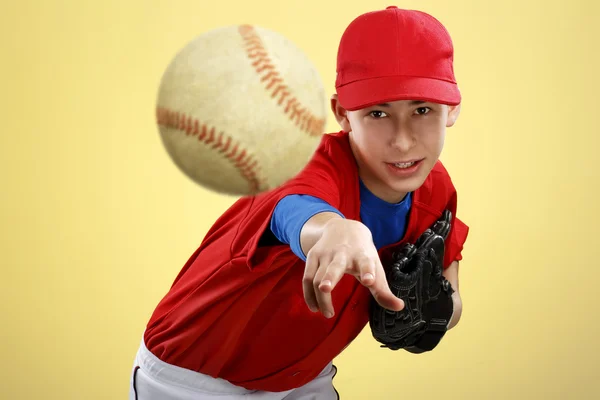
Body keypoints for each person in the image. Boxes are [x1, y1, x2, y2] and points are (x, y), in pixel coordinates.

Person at [129, 6, 470, 400]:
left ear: (453, 109)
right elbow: (295, 209)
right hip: (193, 376)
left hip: (302, 379)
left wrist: (436, 313)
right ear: (342, 113)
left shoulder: (437, 189)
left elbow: (451, 291)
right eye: (378, 113)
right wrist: (335, 229)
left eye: (422, 110)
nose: (403, 140)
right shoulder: (306, 163)